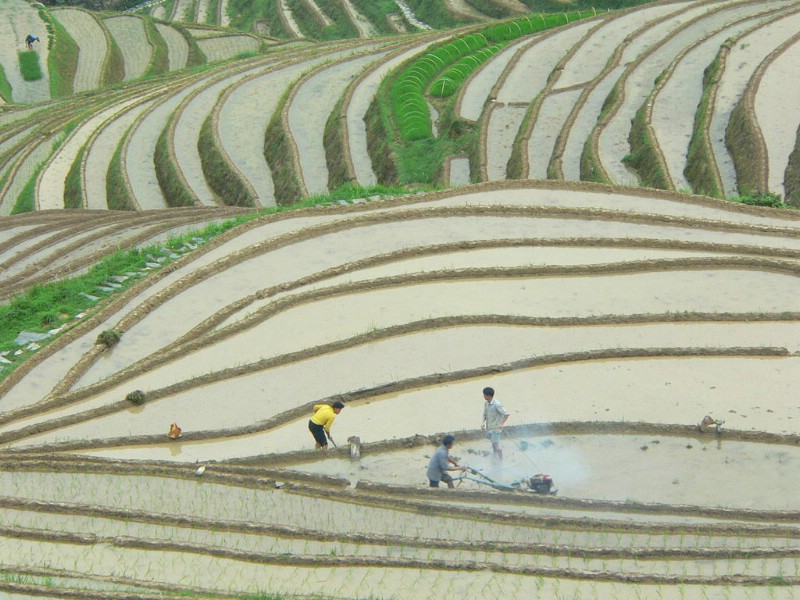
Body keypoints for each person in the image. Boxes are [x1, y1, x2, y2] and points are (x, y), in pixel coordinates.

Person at [481, 386, 509, 460]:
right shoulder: (486, 403)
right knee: (493, 442)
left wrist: (501, 424)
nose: (483, 396)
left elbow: (506, 414)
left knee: (496, 445)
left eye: (484, 395)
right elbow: (485, 414)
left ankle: (501, 460)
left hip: (496, 429)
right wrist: (482, 422)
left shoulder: (497, 404)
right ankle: (494, 454)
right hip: (490, 427)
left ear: (489, 396)